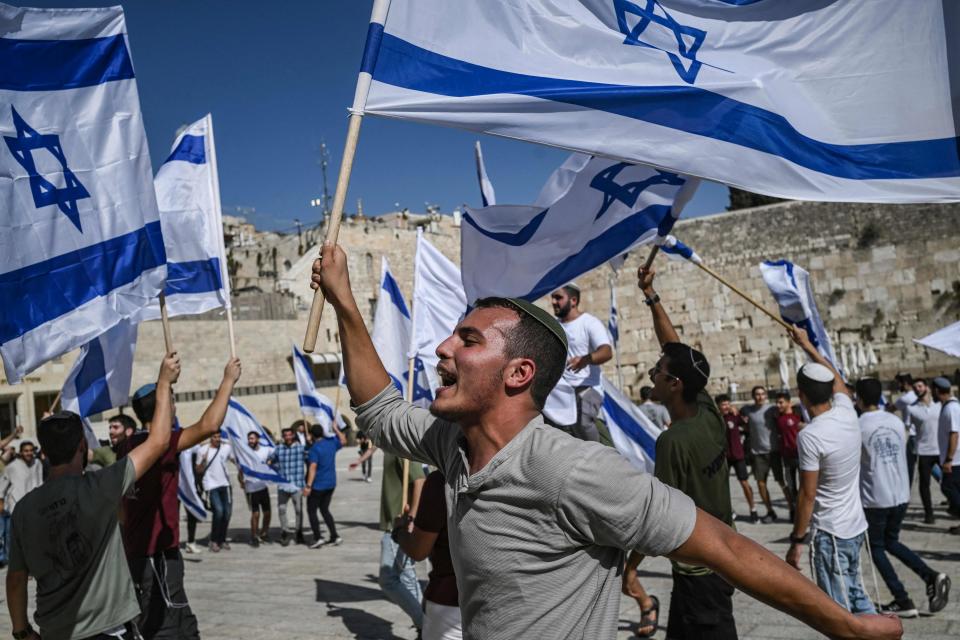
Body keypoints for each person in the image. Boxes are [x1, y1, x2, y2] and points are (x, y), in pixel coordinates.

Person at [310, 243, 902, 640]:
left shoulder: (571, 470)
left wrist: (844, 626)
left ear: (518, 374)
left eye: (467, 339)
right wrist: (343, 303)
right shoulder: (450, 445)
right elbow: (380, 410)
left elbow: (723, 545)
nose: (442, 348)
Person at [5, 353, 179, 640]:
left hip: (55, 631)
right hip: (107, 629)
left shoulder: (24, 509)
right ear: (82, 446)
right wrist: (163, 381)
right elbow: (160, 440)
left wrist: (21, 631)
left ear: (44, 452)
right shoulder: (101, 486)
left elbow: (16, 579)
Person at [625, 265, 736, 639]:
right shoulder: (708, 412)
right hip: (722, 556)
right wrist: (651, 295)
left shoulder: (674, 441)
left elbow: (660, 512)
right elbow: (674, 349)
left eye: (658, 370)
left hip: (698, 568)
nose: (652, 373)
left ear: (673, 384)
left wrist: (631, 566)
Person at [119, 356, 242, 639]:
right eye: (171, 401)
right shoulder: (159, 445)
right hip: (154, 555)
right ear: (164, 406)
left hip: (150, 552)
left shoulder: (129, 445)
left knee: (182, 619)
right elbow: (210, 425)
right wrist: (228, 380)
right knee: (164, 626)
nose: (175, 406)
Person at [785, 327, 874, 614]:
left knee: (838, 613)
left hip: (830, 533)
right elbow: (836, 379)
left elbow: (807, 495)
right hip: (855, 526)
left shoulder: (811, 435)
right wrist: (808, 345)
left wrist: (797, 541)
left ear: (801, 394)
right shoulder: (847, 410)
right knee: (857, 598)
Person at [856, 378, 951, 617]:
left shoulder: (858, 426)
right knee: (891, 542)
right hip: (900, 493)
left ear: (858, 398)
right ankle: (930, 576)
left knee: (876, 547)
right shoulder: (895, 421)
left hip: (876, 497)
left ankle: (902, 599)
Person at [351, 434, 426, 630]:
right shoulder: (390, 447)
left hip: (398, 524)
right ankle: (424, 626)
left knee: (388, 580)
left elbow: (419, 480)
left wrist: (412, 518)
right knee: (407, 576)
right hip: (396, 522)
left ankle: (425, 625)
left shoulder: (401, 449)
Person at [395, 471, 461, 640]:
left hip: (450, 602)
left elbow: (418, 550)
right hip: (509, 603)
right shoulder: (528, 468)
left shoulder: (443, 481)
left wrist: (400, 532)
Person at [544, 283, 613, 441]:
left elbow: (606, 352)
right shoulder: (554, 327)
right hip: (561, 390)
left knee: (583, 421)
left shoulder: (589, 323)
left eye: (558, 297)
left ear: (573, 300)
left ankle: (599, 458)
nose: (554, 302)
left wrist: (585, 359)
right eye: (553, 298)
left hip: (588, 387)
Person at [742, 386, 784, 523]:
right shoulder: (748, 410)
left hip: (774, 451)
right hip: (758, 453)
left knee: (781, 482)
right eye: (757, 394)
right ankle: (770, 511)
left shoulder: (772, 409)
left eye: (762, 394)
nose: (760, 397)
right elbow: (739, 414)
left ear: (766, 396)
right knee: (761, 484)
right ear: (753, 396)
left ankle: (792, 508)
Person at [0, 439, 43, 569]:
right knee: (18, 538)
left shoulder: (37, 463)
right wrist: (1, 502)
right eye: (26, 451)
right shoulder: (12, 467)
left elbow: (40, 482)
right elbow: (2, 485)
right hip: (16, 506)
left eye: (31, 451)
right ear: (20, 453)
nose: (29, 453)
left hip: (34, 505)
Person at [304, 422, 346, 548]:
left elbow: (313, 467)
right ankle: (335, 536)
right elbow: (343, 441)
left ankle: (318, 538)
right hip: (331, 483)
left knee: (311, 511)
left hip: (318, 485)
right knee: (324, 510)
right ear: (322, 433)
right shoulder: (331, 443)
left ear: (311, 435)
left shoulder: (314, 449)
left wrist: (308, 486)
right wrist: (336, 429)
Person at [905, 378, 941, 524]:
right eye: (915, 387)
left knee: (950, 482)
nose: (918, 389)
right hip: (924, 451)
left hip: (941, 449)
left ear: (927, 387)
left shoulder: (939, 405)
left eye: (920, 386)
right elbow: (907, 429)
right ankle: (929, 514)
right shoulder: (911, 409)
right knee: (924, 485)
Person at [717, 394, 757, 523]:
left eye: (728, 403)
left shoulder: (734, 416)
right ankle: (729, 510)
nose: (726, 406)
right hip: (723, 458)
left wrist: (738, 413)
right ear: (718, 406)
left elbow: (746, 424)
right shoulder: (716, 419)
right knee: (722, 486)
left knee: (744, 483)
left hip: (738, 455)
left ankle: (753, 509)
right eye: (723, 404)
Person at [196, 431, 235, 552]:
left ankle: (222, 540)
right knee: (218, 512)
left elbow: (234, 459)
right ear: (210, 438)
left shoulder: (226, 448)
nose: (217, 439)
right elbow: (198, 470)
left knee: (227, 513)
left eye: (219, 437)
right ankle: (213, 540)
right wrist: (203, 460)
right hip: (211, 485)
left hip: (225, 484)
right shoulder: (202, 450)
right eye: (214, 437)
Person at [270, 426, 306, 546]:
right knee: (281, 509)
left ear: (293, 435)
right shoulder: (278, 449)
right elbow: (271, 460)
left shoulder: (301, 448)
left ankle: (299, 532)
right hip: (283, 485)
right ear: (283, 437)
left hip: (297, 484)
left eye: (289, 435)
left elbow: (311, 459)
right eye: (285, 435)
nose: (287, 437)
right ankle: (284, 531)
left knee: (299, 510)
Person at [933, 377, 960, 528]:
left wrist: (949, 459)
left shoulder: (951, 408)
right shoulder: (949, 406)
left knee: (948, 487)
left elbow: (954, 434)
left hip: (955, 459)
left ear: (936, 391)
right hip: (954, 458)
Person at [241, 430, 272, 547]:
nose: (251, 441)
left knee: (267, 513)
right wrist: (241, 481)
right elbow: (240, 469)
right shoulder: (245, 452)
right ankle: (254, 536)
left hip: (263, 486)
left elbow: (274, 454)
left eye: (253, 438)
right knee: (255, 514)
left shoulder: (265, 450)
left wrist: (270, 462)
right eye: (249, 439)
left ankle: (264, 533)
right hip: (251, 489)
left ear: (258, 439)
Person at [775, 391, 803, 522]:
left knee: (804, 485)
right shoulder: (777, 418)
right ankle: (794, 511)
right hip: (786, 458)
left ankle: (804, 513)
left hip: (800, 456)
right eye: (777, 402)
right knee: (791, 486)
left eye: (781, 402)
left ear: (788, 402)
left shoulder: (799, 416)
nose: (778, 405)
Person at [892, 373, 917, 487]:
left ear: (905, 384)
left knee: (909, 465)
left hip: (911, 435)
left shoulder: (905, 398)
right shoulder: (917, 395)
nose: (898, 386)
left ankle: (907, 491)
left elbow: (890, 409)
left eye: (899, 384)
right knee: (928, 465)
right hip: (919, 433)